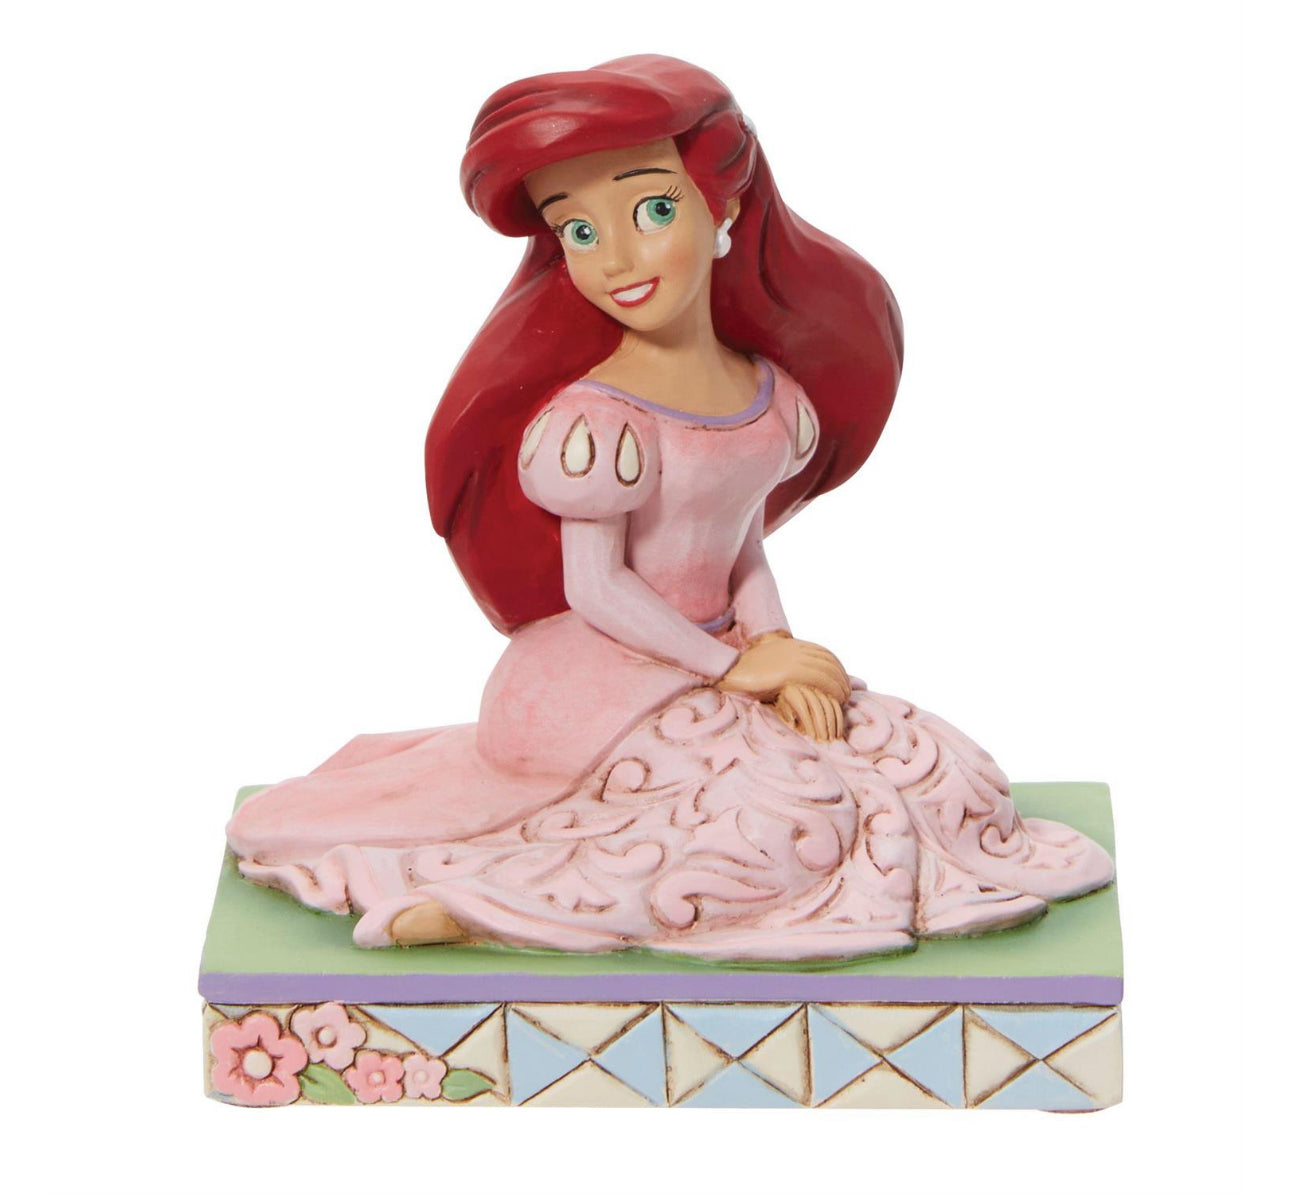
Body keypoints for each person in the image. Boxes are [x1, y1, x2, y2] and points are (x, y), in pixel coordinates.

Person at [227, 55, 1113, 959]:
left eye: (651, 211)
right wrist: (731, 669)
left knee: (915, 760)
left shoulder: (771, 398)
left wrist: (776, 647)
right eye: (578, 231)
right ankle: (485, 900)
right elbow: (597, 586)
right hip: (596, 679)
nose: (615, 260)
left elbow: (744, 547)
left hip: (716, 657)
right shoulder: (594, 422)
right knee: (782, 818)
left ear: (722, 210)